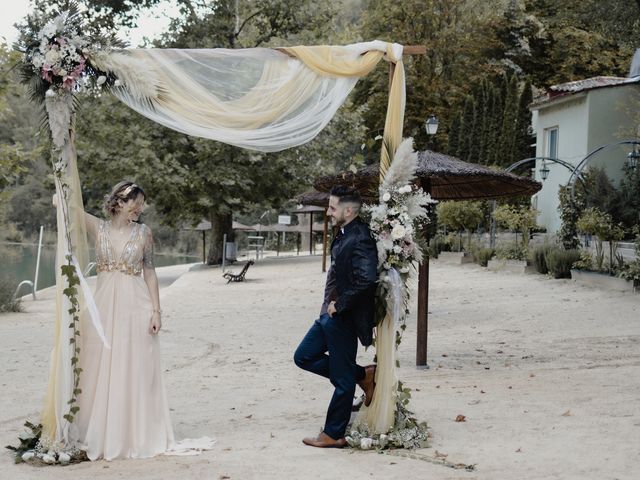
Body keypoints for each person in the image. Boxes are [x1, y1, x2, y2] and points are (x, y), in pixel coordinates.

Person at [59, 181, 174, 460]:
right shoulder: (97, 227)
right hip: (103, 308)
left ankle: (132, 434)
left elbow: (149, 272)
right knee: (99, 365)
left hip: (136, 306)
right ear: (119, 202)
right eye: (136, 203)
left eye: (142, 205)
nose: (140, 209)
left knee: (134, 367)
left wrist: (156, 311)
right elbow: (65, 206)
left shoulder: (144, 233)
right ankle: (99, 429)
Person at [294, 185, 378, 448]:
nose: (329, 212)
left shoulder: (361, 236)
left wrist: (338, 305)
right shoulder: (343, 234)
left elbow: (367, 279)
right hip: (328, 314)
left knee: (342, 382)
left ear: (349, 210)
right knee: (304, 356)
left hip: (343, 316)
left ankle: (333, 434)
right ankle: (362, 374)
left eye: (332, 208)